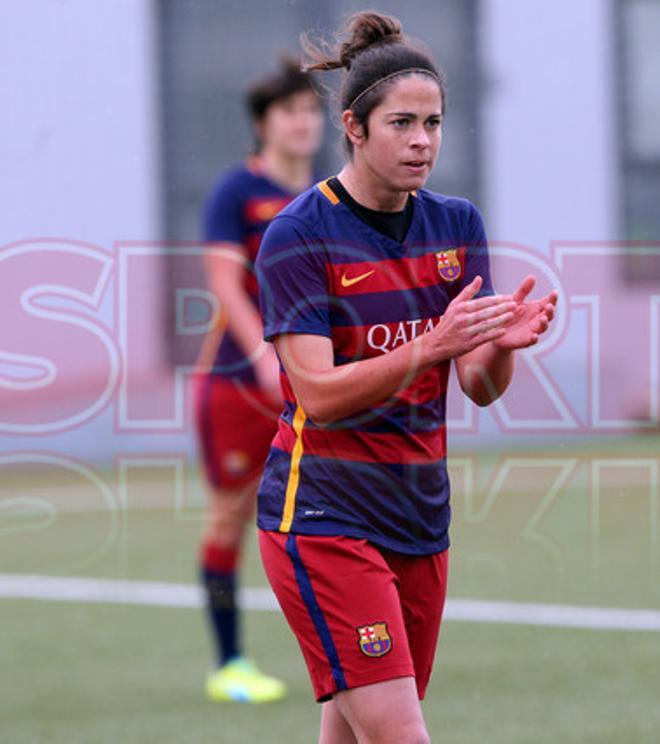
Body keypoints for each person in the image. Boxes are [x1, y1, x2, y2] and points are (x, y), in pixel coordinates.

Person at [254, 12, 558, 743]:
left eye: (434, 122)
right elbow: (318, 396)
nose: (423, 140)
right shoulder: (299, 234)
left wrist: (502, 345)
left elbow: (479, 385)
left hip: (420, 517)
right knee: (400, 736)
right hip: (323, 517)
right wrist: (432, 345)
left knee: (357, 732)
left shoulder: (456, 225)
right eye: (402, 123)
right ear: (354, 127)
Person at [194, 57, 323, 703]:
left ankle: (351, 650)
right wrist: (268, 359)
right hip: (237, 384)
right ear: (264, 123)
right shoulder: (236, 193)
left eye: (310, 111)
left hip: (312, 383)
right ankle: (230, 663)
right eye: (290, 111)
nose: (303, 122)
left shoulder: (328, 196)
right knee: (230, 518)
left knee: (329, 510)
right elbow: (225, 285)